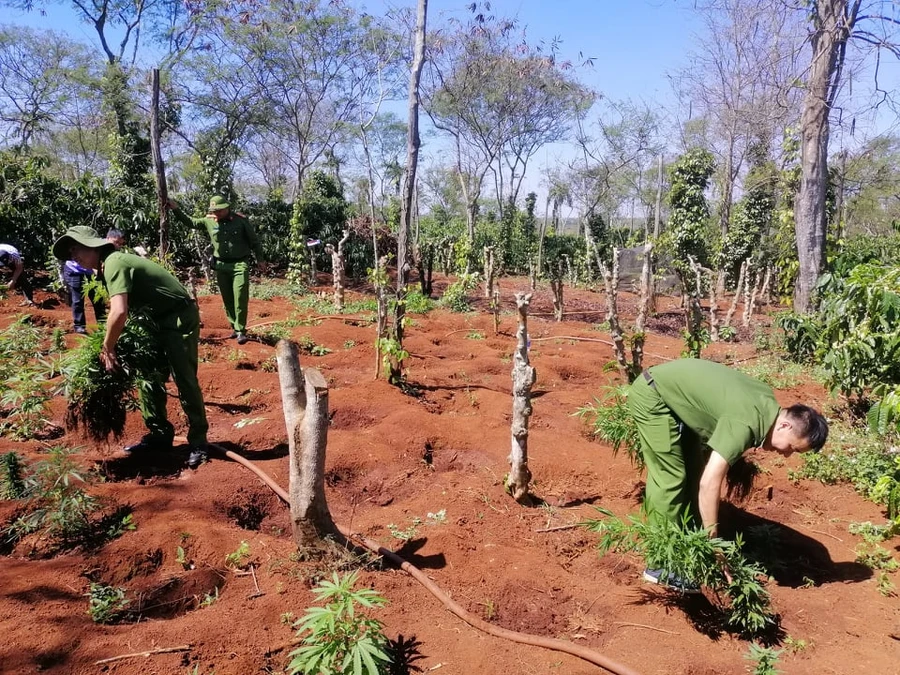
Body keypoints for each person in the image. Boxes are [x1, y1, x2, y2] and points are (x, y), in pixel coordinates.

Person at [627, 358, 828, 592]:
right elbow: (710, 483)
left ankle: (688, 540)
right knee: (671, 477)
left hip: (677, 400)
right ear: (785, 426)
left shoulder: (767, 406)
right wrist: (715, 544)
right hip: (654, 396)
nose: (786, 455)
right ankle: (661, 564)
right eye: (792, 448)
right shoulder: (745, 423)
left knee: (692, 472)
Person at [53, 226, 210, 469]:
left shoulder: (114, 261)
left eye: (76, 249)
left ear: (93, 245)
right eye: (70, 252)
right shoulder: (104, 269)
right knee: (148, 375)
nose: (74, 256)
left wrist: (108, 347)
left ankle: (199, 441)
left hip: (177, 318)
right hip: (152, 321)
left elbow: (119, 311)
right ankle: (159, 435)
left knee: (184, 377)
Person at [167, 195, 265, 345]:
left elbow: (254, 242)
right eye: (214, 211)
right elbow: (191, 222)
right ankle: (234, 327)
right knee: (227, 298)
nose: (217, 213)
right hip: (221, 265)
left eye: (220, 210)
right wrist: (175, 209)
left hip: (240, 264)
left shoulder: (240, 221)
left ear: (227, 208)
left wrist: (260, 259)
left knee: (240, 296)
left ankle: (241, 330)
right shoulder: (209, 221)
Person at [63, 259, 106, 333]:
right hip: (74, 270)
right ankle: (79, 326)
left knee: (98, 299)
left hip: (91, 272)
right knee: (78, 299)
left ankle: (102, 325)